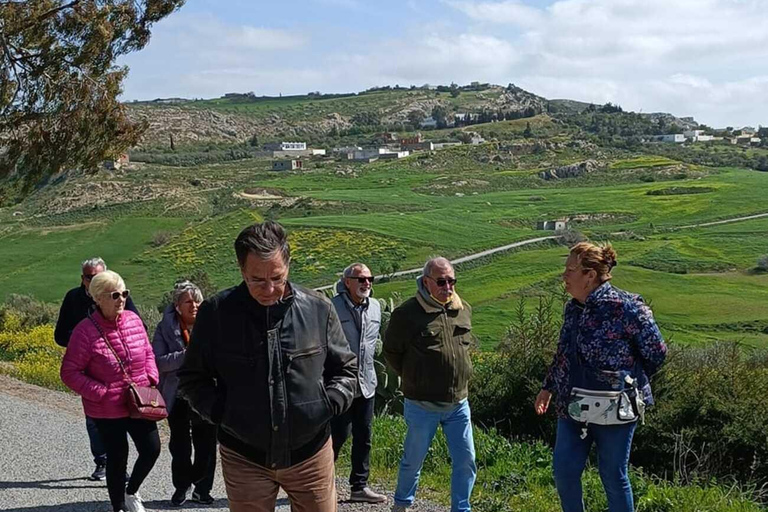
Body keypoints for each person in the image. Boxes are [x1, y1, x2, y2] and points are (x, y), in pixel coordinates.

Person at [178, 221, 358, 512]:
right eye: (257, 280)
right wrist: (221, 413)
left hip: (311, 453)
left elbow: (346, 370)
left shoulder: (318, 309)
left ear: (288, 266)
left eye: (277, 277)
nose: (270, 288)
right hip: (244, 455)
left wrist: (328, 404)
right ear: (241, 271)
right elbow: (191, 378)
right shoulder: (216, 313)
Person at [534, 242, 667, 512]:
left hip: (615, 408)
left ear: (590, 275)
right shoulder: (574, 308)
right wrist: (547, 387)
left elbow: (657, 352)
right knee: (564, 472)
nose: (564, 276)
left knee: (613, 477)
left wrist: (627, 380)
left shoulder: (627, 307)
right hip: (572, 405)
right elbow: (564, 352)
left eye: (571, 270)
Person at [60, 270, 161, 512]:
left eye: (124, 293)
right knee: (118, 458)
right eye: (115, 295)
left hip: (138, 400)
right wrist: (99, 391)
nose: (121, 299)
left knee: (151, 449)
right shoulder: (84, 331)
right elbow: (69, 372)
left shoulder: (134, 320)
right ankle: (118, 507)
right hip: (106, 407)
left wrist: (151, 376)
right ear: (98, 298)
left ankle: (131, 492)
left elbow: (148, 352)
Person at [383, 257, 476, 512]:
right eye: (442, 281)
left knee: (466, 460)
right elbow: (392, 351)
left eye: (451, 281)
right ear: (426, 282)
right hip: (422, 404)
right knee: (413, 461)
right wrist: (415, 377)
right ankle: (402, 505)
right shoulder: (407, 314)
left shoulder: (463, 309)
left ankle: (461, 508)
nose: (448, 287)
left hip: (459, 403)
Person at [54, 257, 142, 481]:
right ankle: (104, 463)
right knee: (94, 422)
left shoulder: (119, 296)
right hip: (90, 376)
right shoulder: (73, 298)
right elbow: (60, 335)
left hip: (121, 378)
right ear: (82, 279)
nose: (94, 280)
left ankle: (119, 469)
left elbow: (138, 328)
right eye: (89, 277)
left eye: (99, 276)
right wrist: (83, 342)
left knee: (128, 427)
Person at [153, 281, 217, 506]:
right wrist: (187, 355)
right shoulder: (164, 328)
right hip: (177, 395)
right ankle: (181, 487)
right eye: (188, 301)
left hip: (206, 394)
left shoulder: (211, 325)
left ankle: (202, 489)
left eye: (197, 300)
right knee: (179, 445)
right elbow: (159, 362)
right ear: (177, 305)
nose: (194, 305)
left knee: (207, 444)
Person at [330, 263, 387, 503]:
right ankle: (319, 482)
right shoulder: (331, 307)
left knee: (364, 436)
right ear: (347, 282)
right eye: (361, 279)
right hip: (339, 385)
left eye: (369, 279)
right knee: (336, 436)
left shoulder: (375, 307)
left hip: (367, 383)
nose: (367, 283)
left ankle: (359, 486)